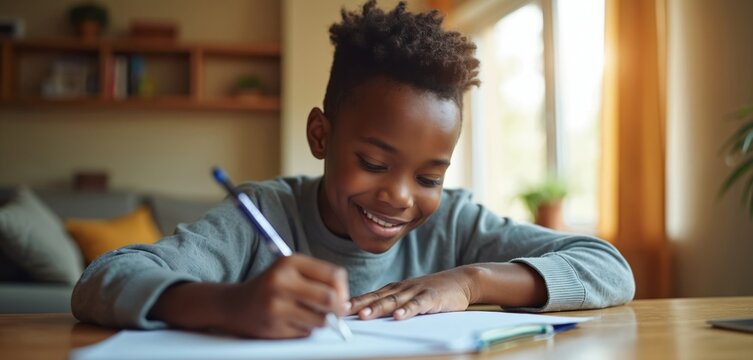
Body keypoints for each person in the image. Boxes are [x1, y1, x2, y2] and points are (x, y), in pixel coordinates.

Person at [72, 0, 635, 339]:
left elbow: (609, 267)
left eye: (429, 177)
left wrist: (470, 281)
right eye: (372, 163)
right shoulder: (265, 213)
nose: (398, 195)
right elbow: (101, 280)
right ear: (321, 135)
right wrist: (227, 303)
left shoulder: (456, 225)